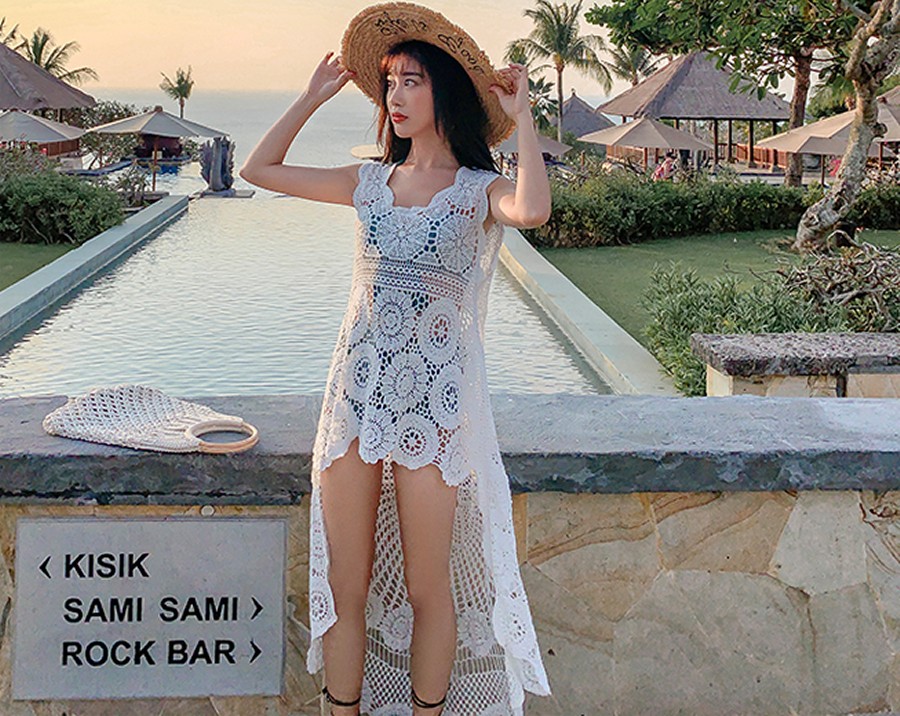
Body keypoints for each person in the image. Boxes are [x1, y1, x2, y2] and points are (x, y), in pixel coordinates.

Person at [239, 3, 552, 715]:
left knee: (426, 589)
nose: (396, 97)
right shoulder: (368, 184)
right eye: (389, 83)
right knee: (345, 587)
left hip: (432, 412)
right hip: (355, 401)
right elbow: (260, 169)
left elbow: (532, 208)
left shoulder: (477, 191)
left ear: (445, 91)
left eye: (412, 81)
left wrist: (524, 118)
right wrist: (311, 98)